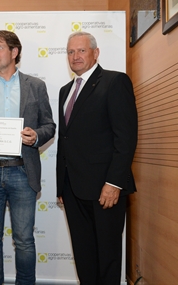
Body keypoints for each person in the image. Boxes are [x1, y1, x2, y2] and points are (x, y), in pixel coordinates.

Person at [0, 30, 56, 284]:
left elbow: (49, 125)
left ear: (14, 52)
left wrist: (35, 136)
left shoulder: (36, 85)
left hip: (22, 171)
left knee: (24, 240)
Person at [56, 31, 138, 285]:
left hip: (105, 189)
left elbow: (125, 138)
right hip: (73, 189)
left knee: (108, 257)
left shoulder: (115, 82)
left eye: (81, 51)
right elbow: (66, 140)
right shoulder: (65, 90)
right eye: (71, 52)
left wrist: (114, 183)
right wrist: (62, 185)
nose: (76, 56)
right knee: (84, 255)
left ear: (95, 53)